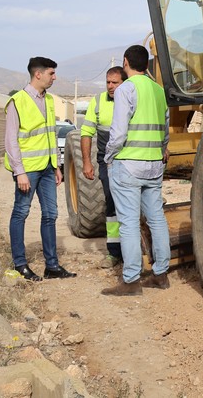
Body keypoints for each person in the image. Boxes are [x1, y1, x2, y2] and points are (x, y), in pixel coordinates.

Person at [101, 45, 171, 295]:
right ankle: (161, 275)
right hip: (154, 165)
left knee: (128, 223)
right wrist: (162, 149)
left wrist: (109, 156)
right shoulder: (159, 91)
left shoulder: (126, 89)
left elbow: (118, 132)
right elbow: (165, 129)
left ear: (126, 62)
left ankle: (131, 281)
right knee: (156, 220)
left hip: (128, 164)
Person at [4, 56, 76, 282]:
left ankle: (51, 266)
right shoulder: (18, 101)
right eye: (51, 73)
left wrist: (56, 166)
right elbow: (11, 141)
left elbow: (50, 134)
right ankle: (20, 264)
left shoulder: (50, 100)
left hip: (47, 168)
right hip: (28, 170)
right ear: (38, 74)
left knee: (51, 214)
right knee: (21, 212)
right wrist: (20, 172)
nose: (54, 77)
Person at [80, 66, 127, 268]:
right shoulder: (98, 102)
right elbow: (86, 132)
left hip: (129, 159)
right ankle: (114, 252)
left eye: (114, 82)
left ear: (124, 83)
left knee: (132, 203)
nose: (110, 86)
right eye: (108, 82)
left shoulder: (131, 99)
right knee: (112, 202)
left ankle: (133, 250)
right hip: (106, 161)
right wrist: (87, 162)